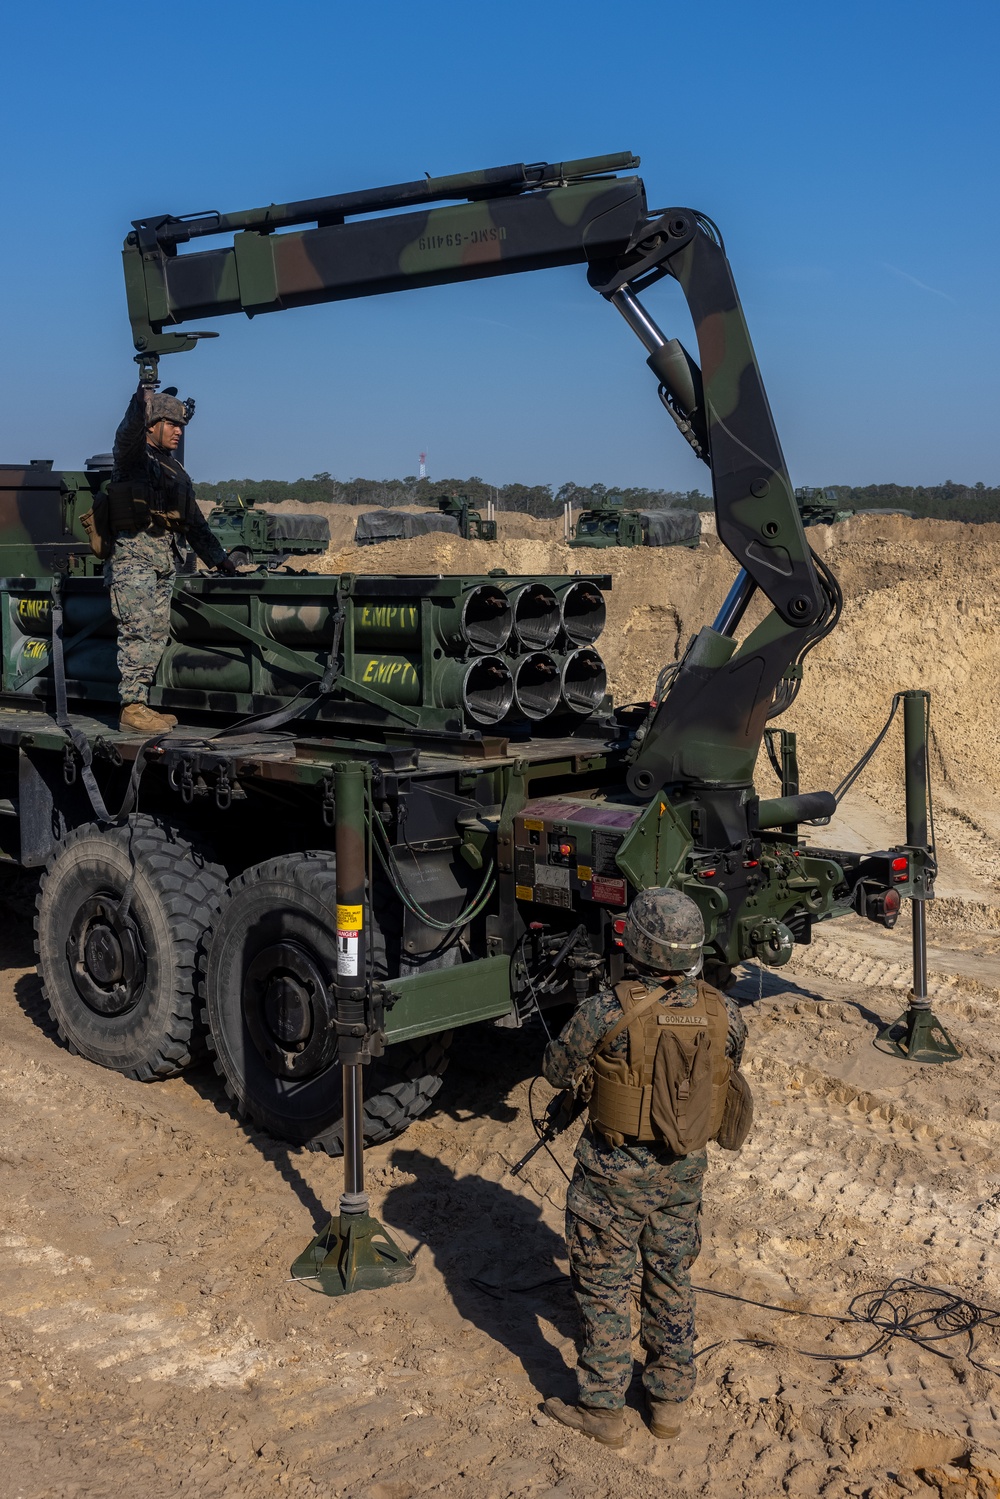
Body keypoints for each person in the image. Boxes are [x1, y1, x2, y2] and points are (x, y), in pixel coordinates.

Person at [541, 888, 749, 1449]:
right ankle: (667, 1403)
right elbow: (724, 1067)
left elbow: (556, 1070)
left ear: (636, 945)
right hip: (683, 1174)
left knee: (603, 1285)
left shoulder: (608, 1009)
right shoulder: (723, 1011)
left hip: (611, 1178)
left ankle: (604, 1408)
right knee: (670, 1277)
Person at [108, 381, 237, 733]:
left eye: (182, 426)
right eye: (173, 424)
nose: (179, 432)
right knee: (137, 631)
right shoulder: (134, 458)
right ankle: (131, 707)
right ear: (153, 425)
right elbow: (127, 433)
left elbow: (193, 521)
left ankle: (141, 704)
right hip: (134, 561)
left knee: (156, 632)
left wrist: (220, 560)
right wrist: (140, 402)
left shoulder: (174, 470)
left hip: (165, 562)